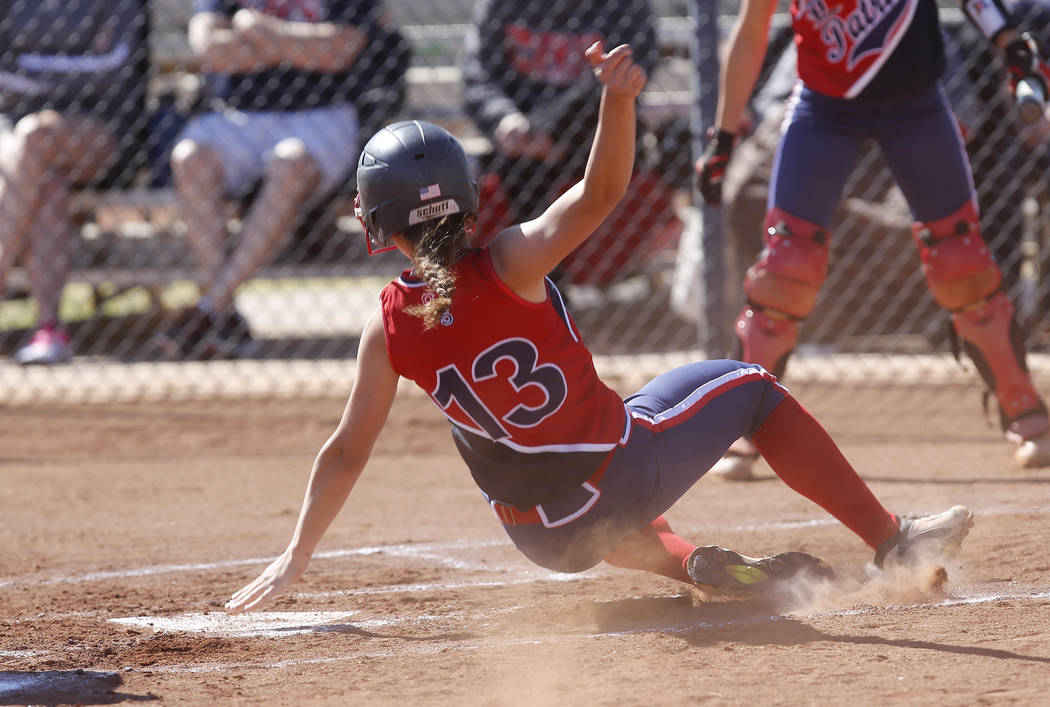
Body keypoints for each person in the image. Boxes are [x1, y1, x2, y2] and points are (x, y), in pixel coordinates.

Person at [224, 43, 973, 614]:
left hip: (545, 536)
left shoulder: (385, 331)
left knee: (570, 483)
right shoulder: (510, 261)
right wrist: (618, 102)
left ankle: (691, 566)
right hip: (617, 477)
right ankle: (891, 538)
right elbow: (603, 191)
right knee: (749, 386)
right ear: (466, 197)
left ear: (375, 225)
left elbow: (347, 450)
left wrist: (298, 552)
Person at [695, 0, 1050, 477]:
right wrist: (724, 136)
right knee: (786, 266)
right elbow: (752, 29)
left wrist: (1008, 41)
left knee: (961, 261)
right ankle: (745, 424)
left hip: (916, 107)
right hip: (823, 109)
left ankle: (1024, 408)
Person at [157, 0, 410, 359]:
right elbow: (211, 51)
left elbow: (338, 53)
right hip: (236, 114)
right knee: (190, 158)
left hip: (323, 114)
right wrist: (298, 48)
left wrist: (257, 31)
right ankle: (220, 311)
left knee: (290, 163)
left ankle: (209, 309)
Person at [461, 0, 682, 287]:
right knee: (523, 174)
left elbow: (628, 71)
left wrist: (550, 131)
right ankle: (542, 289)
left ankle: (558, 288)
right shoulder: (501, 5)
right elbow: (477, 74)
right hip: (520, 145)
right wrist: (505, 119)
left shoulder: (624, 5)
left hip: (591, 136)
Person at [0, 1, 150, 365]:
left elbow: (115, 68)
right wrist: (72, 70)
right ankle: (49, 328)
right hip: (14, 132)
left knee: (35, 137)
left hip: (101, 131)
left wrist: (30, 72)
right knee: (44, 178)